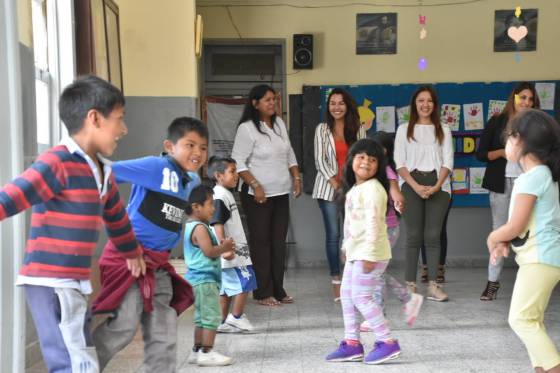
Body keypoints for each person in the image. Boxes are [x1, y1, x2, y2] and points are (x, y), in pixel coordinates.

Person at [0, 75, 144, 372]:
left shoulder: (102, 170)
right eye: (119, 119)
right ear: (95, 118)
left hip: (74, 283)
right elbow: (11, 197)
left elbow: (116, 218)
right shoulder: (58, 162)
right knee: (71, 363)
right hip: (50, 282)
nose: (124, 129)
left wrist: (132, 253)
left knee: (80, 358)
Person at [92, 117, 207, 372]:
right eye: (190, 145)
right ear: (169, 146)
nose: (197, 152)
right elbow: (107, 170)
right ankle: (81, 365)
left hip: (159, 264)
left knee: (164, 329)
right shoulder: (155, 167)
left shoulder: (193, 182)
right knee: (124, 325)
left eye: (203, 147)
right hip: (130, 259)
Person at [487, 109, 560, 372]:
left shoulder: (533, 177)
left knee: (521, 320)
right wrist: (507, 240)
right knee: (533, 321)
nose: (506, 143)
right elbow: (524, 225)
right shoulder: (541, 175)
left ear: (519, 141)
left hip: (541, 258)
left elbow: (515, 225)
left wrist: (495, 236)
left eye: (508, 138)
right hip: (543, 258)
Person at [325, 138, 401, 365]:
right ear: (351, 161)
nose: (366, 162)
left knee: (361, 296)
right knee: (347, 294)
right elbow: (351, 224)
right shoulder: (356, 189)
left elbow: (374, 224)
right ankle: (351, 344)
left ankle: (386, 342)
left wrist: (367, 255)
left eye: (373, 159)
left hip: (371, 253)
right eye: (361, 157)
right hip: (356, 253)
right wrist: (346, 248)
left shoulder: (375, 189)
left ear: (380, 166)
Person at [231, 84, 301, 307]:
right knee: (261, 243)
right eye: (267, 100)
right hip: (256, 195)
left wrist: (296, 178)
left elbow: (289, 153)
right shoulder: (247, 128)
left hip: (281, 192)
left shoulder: (279, 123)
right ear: (255, 103)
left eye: (274, 99)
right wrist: (255, 185)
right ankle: (262, 292)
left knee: (278, 242)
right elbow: (238, 162)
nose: (272, 103)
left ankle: (278, 289)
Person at [477, 81, 540, 301]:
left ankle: (531, 284)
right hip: (501, 183)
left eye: (531, 99)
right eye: (523, 97)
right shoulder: (497, 121)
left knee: (529, 232)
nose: (527, 102)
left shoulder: (536, 124)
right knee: (500, 231)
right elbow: (481, 153)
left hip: (529, 184)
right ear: (513, 97)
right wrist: (503, 153)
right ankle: (492, 282)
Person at [360, 132, 424, 332]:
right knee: (376, 272)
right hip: (372, 229)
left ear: (384, 151)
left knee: (375, 274)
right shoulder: (371, 171)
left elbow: (396, 192)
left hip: (385, 229)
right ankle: (409, 299)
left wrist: (397, 202)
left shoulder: (386, 171)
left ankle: (377, 316)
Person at [394, 85, 453, 301]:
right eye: (421, 100)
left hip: (439, 185)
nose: (425, 104)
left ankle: (433, 286)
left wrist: (436, 186)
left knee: (432, 236)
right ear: (414, 104)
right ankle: (410, 285)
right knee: (413, 236)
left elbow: (448, 161)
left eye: (429, 101)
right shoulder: (403, 129)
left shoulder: (443, 128)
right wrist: (416, 186)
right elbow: (399, 163)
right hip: (411, 184)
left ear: (435, 105)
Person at [312, 87, 365, 301]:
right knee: (334, 236)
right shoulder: (322, 129)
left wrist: (354, 184)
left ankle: (353, 280)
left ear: (348, 105)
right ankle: (336, 280)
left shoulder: (358, 128)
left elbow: (364, 157)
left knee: (353, 236)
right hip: (328, 190)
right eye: (332, 103)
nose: (336, 107)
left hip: (354, 189)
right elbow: (320, 160)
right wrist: (336, 183)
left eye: (340, 103)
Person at [184, 185, 236, 367]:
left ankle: (197, 350)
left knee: (201, 317)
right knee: (211, 317)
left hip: (197, 280)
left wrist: (221, 247)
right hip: (205, 280)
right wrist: (225, 247)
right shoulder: (200, 228)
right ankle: (207, 352)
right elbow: (209, 251)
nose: (213, 208)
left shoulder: (191, 226)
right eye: (210, 204)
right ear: (196, 207)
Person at [207, 156, 258, 333]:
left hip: (233, 252)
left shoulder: (224, 193)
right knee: (246, 280)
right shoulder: (220, 195)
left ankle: (221, 322)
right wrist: (224, 249)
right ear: (219, 175)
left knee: (225, 290)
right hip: (232, 254)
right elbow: (217, 223)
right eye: (232, 172)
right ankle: (236, 317)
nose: (236, 175)